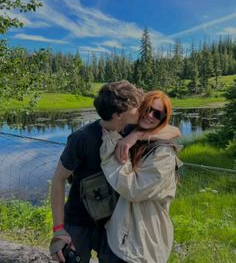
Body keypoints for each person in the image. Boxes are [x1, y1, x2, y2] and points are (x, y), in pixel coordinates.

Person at [49, 81, 180, 263]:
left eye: (151, 110)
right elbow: (58, 180)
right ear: (119, 114)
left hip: (113, 224)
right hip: (80, 221)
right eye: (138, 107)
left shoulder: (130, 128)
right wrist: (58, 230)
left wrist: (136, 136)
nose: (143, 111)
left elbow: (173, 129)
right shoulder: (82, 138)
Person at [100, 90, 182, 263]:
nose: (149, 115)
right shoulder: (130, 131)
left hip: (143, 245)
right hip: (116, 238)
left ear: (163, 119)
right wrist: (134, 135)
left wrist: (127, 139)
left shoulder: (164, 153)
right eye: (147, 108)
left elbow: (133, 189)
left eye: (157, 113)